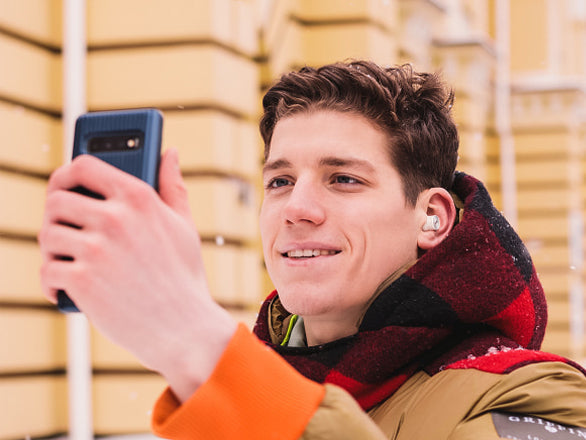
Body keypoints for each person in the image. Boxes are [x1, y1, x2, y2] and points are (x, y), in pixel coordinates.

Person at [39, 60, 586, 439]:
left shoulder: (532, 395)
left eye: (343, 179)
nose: (296, 208)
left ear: (432, 217)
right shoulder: (245, 399)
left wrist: (192, 339)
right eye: (280, 181)